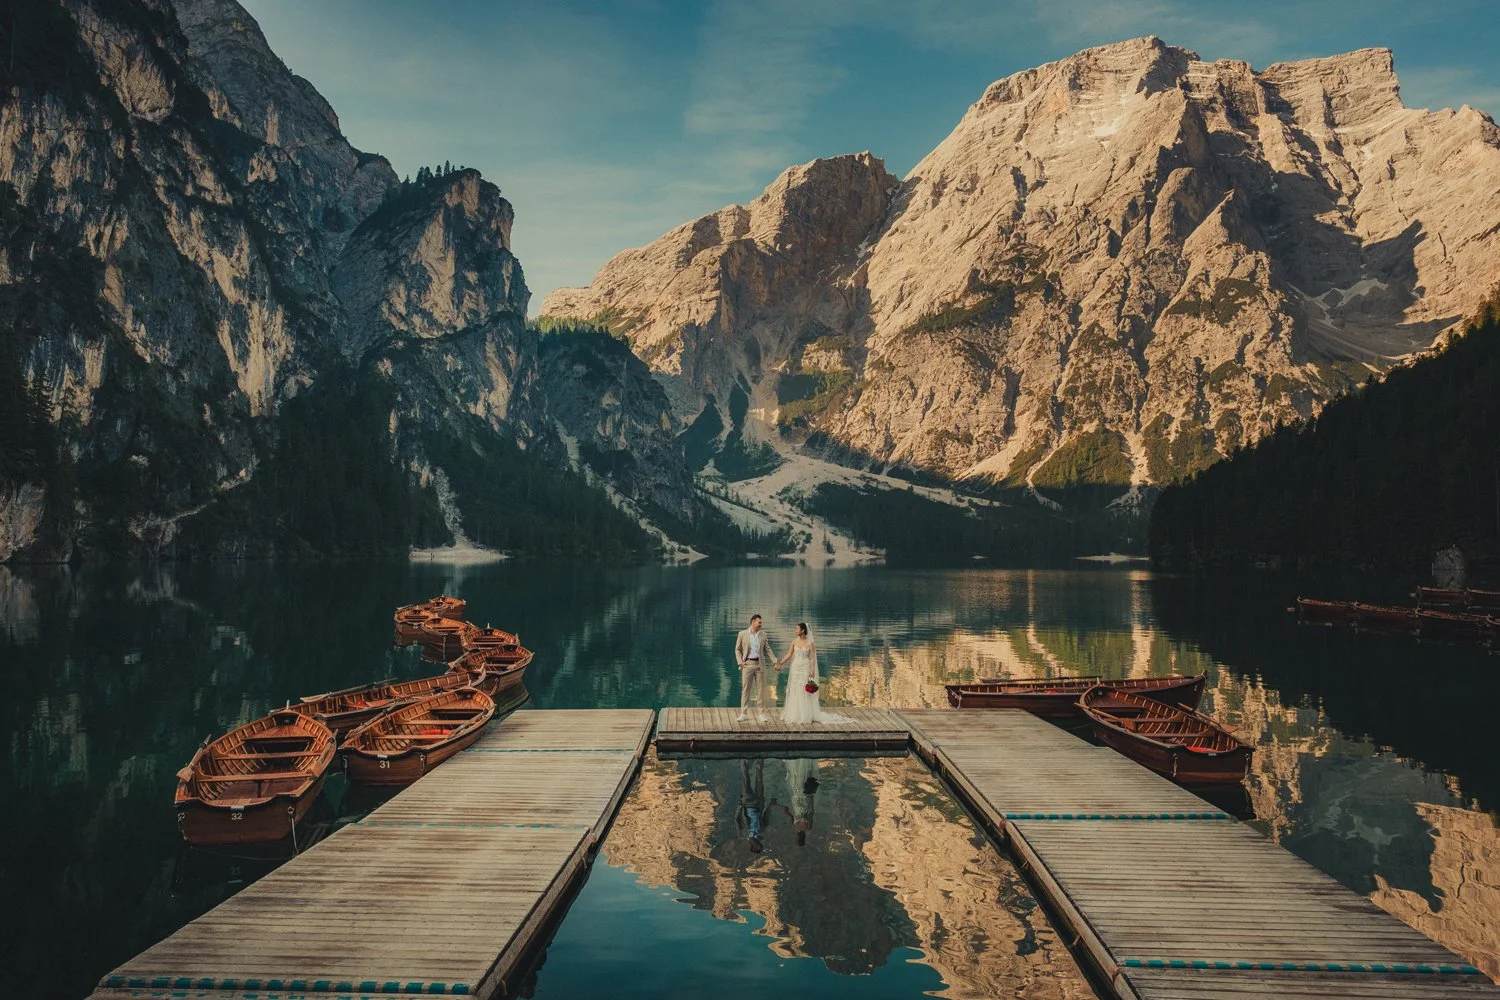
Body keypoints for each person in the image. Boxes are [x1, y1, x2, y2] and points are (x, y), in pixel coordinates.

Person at [776, 623, 851, 724]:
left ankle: (806, 714)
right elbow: (789, 654)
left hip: (805, 667)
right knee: (795, 689)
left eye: (797, 629)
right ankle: (795, 713)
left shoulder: (810, 643)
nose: (795, 631)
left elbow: (812, 658)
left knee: (804, 690)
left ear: (802, 630)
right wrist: (780, 662)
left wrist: (812, 671)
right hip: (796, 668)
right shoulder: (794, 641)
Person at [734, 614, 779, 723]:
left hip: (760, 665)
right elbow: (737, 650)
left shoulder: (763, 635)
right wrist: (740, 662)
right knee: (746, 690)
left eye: (761, 623)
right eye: (759, 622)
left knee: (760, 690)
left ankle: (761, 714)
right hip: (747, 664)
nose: (760, 624)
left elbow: (768, 650)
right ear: (753, 622)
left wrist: (775, 661)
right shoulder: (742, 634)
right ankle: (743, 713)